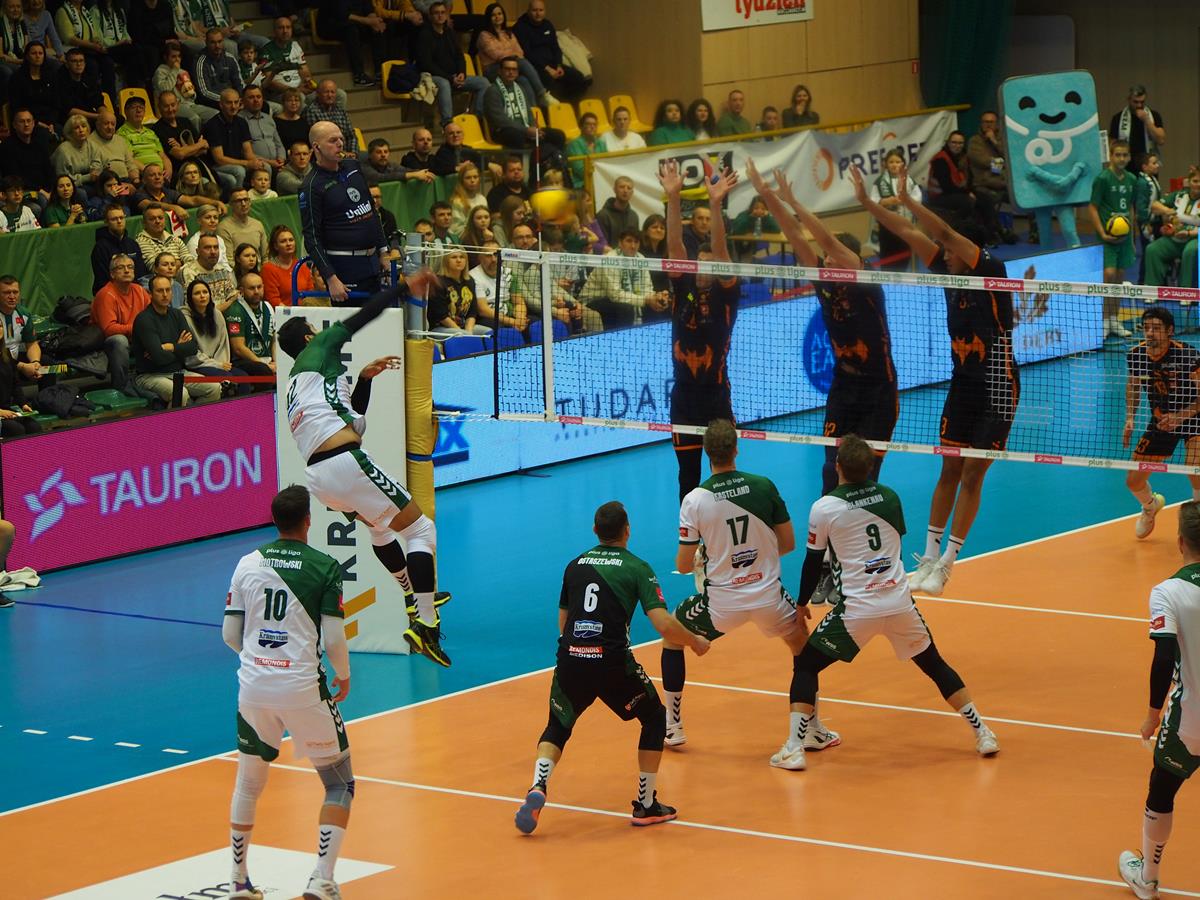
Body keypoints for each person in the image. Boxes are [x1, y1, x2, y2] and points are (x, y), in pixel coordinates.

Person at [851, 164, 1018, 597]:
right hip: (963, 384)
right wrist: (869, 203)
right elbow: (909, 232)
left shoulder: (991, 270)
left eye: (948, 249)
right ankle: (927, 557)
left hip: (998, 386)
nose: (941, 255)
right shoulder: (949, 273)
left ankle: (947, 564)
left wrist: (910, 199)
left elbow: (940, 231)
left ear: (967, 248)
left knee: (973, 474)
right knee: (949, 467)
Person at [791, 434, 998, 769]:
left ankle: (794, 747)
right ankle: (983, 732)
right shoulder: (890, 496)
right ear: (870, 467)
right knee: (935, 665)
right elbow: (891, 543)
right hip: (900, 603)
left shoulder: (824, 507)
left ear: (837, 466)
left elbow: (813, 562)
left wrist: (802, 604)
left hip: (858, 610)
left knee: (806, 665)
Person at [276, 275, 451, 665]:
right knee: (421, 530)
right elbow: (363, 315)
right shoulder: (319, 347)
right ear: (309, 337)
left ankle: (411, 596)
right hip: (343, 464)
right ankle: (426, 621)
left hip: (321, 478)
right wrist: (404, 287)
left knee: (380, 528)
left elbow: (352, 416)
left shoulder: (300, 382)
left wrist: (364, 380)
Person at [513, 500, 710, 835]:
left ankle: (538, 785)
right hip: (612, 663)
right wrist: (694, 640)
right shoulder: (637, 567)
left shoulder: (574, 565)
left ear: (595, 530)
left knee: (557, 726)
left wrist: (579, 651)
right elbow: (662, 623)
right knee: (654, 718)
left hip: (571, 659)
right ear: (627, 530)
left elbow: (564, 622)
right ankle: (646, 804)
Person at [753, 159, 898, 603]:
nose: (827, 262)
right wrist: (770, 197)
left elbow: (827, 241)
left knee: (865, 483)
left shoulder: (866, 282)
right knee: (828, 475)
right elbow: (798, 238)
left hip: (879, 393)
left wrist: (796, 200)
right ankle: (829, 570)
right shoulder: (824, 282)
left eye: (834, 259)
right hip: (844, 389)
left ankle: (863, 567)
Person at [661, 419, 838, 765]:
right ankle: (811, 730)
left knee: (672, 633)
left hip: (721, 606)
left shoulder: (694, 500)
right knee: (803, 649)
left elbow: (682, 566)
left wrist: (705, 557)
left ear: (707, 453)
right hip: (769, 598)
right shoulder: (763, 486)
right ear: (736, 449)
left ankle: (673, 726)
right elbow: (788, 543)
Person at [222, 484, 355, 900]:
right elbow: (334, 638)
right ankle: (321, 879)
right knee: (339, 784)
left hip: (253, 687)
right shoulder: (325, 567)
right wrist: (344, 675)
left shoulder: (247, 563)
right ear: (308, 521)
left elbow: (230, 634)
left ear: (275, 520)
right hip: (301, 687)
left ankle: (238, 881)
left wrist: (261, 660)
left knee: (248, 784)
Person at [1118, 500, 1200, 899]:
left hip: (1191, 722)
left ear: (1181, 542)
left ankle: (1148, 878)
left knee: (1162, 788)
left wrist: (1152, 716)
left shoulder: (1167, 592)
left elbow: (1164, 657)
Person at [658, 159, 739, 503]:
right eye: (700, 262)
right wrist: (673, 198)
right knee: (688, 478)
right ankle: (690, 535)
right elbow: (675, 246)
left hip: (716, 397)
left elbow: (720, 251)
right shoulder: (684, 289)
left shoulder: (727, 294)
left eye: (710, 263)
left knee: (727, 476)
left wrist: (716, 204)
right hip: (684, 399)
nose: (703, 267)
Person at [1123, 307, 1200, 540]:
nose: (1150, 333)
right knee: (1133, 481)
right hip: (1162, 421)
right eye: (1146, 328)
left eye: (1156, 328)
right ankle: (1150, 506)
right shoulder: (1136, 354)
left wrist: (1181, 416)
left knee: (1194, 468)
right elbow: (1133, 385)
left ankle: (1198, 522)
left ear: (1170, 331)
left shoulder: (1187, 355)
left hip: (1194, 417)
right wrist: (1130, 418)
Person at [299, 122, 387, 306]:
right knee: (354, 323)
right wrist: (330, 277)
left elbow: (371, 211)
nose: (340, 143)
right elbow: (311, 237)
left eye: (341, 138)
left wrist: (383, 251)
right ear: (316, 147)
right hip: (345, 269)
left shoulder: (353, 166)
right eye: (333, 140)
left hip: (373, 264)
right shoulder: (311, 186)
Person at [132, 274, 221, 405]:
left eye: (168, 290)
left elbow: (192, 347)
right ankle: (176, 419)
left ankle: (194, 417)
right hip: (150, 375)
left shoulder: (176, 314)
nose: (165, 294)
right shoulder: (144, 319)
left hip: (179, 372)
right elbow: (159, 358)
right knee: (180, 393)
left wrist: (171, 347)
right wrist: (179, 347)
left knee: (214, 388)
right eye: (159, 291)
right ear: (150, 294)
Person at [1089, 139, 1138, 338]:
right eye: (1118, 155)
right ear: (1111, 156)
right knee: (1108, 275)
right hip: (1107, 237)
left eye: (1125, 155)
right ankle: (1103, 320)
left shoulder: (1132, 179)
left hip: (1124, 238)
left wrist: (1132, 237)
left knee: (1119, 277)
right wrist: (1102, 233)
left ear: (1129, 157)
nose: (1121, 159)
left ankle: (1114, 319)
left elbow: (1131, 207)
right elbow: (1093, 207)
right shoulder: (1102, 179)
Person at [414, 1, 488, 128]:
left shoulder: (450, 33)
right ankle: (447, 123)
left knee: (483, 82)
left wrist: (462, 73)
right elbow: (426, 64)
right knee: (444, 83)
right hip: (433, 77)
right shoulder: (424, 35)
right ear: (430, 16)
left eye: (443, 13)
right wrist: (450, 78)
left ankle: (476, 119)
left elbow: (460, 56)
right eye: (436, 13)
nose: (440, 16)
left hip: (454, 76)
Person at [482, 55, 566, 154]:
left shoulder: (520, 88)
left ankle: (554, 161)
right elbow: (500, 120)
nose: (511, 72)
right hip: (503, 131)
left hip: (525, 129)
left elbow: (528, 112)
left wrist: (535, 128)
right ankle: (519, 163)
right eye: (507, 69)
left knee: (558, 135)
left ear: (517, 72)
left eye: (514, 69)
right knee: (516, 136)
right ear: (500, 71)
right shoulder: (493, 91)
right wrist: (526, 130)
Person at [92, 252, 151, 390]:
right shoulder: (106, 294)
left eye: (130, 267)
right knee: (120, 340)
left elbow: (152, 317)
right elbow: (109, 329)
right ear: (112, 274)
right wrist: (137, 328)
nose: (127, 270)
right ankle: (121, 387)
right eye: (121, 267)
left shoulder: (140, 291)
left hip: (135, 339)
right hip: (107, 344)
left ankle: (151, 381)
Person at [475, 2, 554, 105]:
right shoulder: (484, 35)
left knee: (524, 80)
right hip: (493, 69)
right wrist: (513, 55)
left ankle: (533, 110)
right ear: (489, 18)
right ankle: (542, 94)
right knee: (521, 62)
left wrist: (512, 55)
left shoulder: (509, 33)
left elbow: (520, 52)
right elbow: (497, 55)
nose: (497, 17)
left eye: (499, 14)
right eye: (493, 15)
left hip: (510, 67)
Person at [512, 0, 589, 102]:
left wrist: (558, 65)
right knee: (550, 82)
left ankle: (565, 105)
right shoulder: (520, 27)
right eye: (534, 10)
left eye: (541, 10)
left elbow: (555, 47)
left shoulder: (547, 24)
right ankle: (552, 108)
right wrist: (547, 69)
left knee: (579, 78)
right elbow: (527, 53)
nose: (538, 13)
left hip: (553, 64)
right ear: (528, 11)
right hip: (535, 66)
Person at [1143, 166, 1200, 290]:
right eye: (1195, 181)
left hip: (1195, 238)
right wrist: (1168, 212)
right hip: (1175, 237)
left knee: (1190, 251)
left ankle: (1186, 292)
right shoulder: (1179, 195)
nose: (1198, 185)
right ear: (1189, 182)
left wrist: (1189, 233)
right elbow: (1155, 206)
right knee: (1152, 249)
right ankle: (1152, 290)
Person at [869, 149, 922, 270]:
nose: (894, 165)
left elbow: (917, 199)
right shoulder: (880, 182)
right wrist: (887, 201)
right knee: (888, 257)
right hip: (887, 227)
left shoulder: (909, 181)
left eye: (898, 162)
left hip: (905, 224)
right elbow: (873, 202)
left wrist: (905, 200)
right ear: (886, 164)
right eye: (891, 162)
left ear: (903, 164)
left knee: (904, 256)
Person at [203, 88, 264, 193]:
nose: (233, 106)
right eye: (229, 103)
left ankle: (262, 198)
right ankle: (238, 198)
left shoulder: (241, 122)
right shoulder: (213, 125)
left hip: (237, 162)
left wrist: (258, 162)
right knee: (239, 171)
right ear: (221, 105)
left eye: (236, 102)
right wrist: (246, 163)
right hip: (216, 166)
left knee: (265, 167)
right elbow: (219, 159)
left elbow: (248, 153)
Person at [91, 204, 148, 294]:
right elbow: (103, 279)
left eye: (121, 218)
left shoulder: (132, 244)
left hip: (134, 292)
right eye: (114, 219)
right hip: (110, 293)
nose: (119, 221)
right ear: (106, 222)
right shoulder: (100, 248)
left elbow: (141, 273)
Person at [7, 43, 58, 134]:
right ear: (27, 56)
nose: (37, 56)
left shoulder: (50, 76)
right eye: (34, 53)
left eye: (40, 53)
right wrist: (37, 123)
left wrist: (51, 123)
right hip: (27, 122)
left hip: (50, 121)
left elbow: (56, 103)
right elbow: (17, 106)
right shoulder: (18, 78)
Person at [1109, 85, 1166, 164]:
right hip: (1125, 165)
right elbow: (1112, 145)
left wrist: (1147, 120)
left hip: (1148, 165)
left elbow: (1161, 140)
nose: (1139, 105)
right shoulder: (1118, 118)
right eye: (1135, 102)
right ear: (1129, 100)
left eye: (1142, 102)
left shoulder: (1154, 116)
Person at [183, 232, 239, 311]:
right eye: (207, 248)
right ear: (197, 251)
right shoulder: (189, 272)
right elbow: (199, 310)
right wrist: (228, 303)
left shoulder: (222, 270)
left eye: (216, 247)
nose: (213, 252)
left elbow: (233, 296)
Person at [263, 224, 315, 307]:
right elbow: (273, 300)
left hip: (304, 311)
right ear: (275, 246)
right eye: (283, 241)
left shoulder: (302, 266)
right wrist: (291, 313)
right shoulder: (268, 268)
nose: (288, 244)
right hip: (282, 313)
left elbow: (310, 293)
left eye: (291, 240)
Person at [303, 79, 360, 155]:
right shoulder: (311, 111)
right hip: (326, 155)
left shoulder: (340, 110)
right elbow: (318, 141)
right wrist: (341, 153)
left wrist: (353, 152)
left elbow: (351, 135)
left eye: (332, 92)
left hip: (346, 154)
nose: (330, 95)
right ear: (318, 94)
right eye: (326, 92)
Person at [240, 84, 286, 173]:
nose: (256, 100)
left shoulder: (268, 118)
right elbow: (244, 152)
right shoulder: (240, 121)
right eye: (251, 97)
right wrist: (270, 163)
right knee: (266, 168)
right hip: (255, 164)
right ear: (243, 101)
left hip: (277, 163)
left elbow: (279, 144)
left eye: (258, 97)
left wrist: (281, 159)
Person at [195, 28, 244, 111]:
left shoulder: (230, 58)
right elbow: (204, 92)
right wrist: (228, 100)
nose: (217, 46)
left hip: (234, 102)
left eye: (219, 41)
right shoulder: (200, 61)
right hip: (213, 104)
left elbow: (239, 83)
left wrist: (239, 99)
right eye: (213, 42)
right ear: (206, 43)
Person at [51, 46, 102, 126]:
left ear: (85, 63)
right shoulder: (60, 81)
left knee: (117, 119)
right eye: (74, 61)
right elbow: (68, 110)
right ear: (67, 64)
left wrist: (105, 114)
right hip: (71, 120)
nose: (78, 64)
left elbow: (99, 102)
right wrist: (98, 116)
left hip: (91, 116)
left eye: (81, 61)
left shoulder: (89, 79)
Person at [136, 202, 194, 270]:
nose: (157, 221)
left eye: (160, 218)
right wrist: (179, 262)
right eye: (152, 219)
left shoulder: (175, 239)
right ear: (144, 223)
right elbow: (156, 268)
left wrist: (168, 264)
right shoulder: (141, 242)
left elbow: (191, 262)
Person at [431, 119, 495, 180]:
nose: (455, 135)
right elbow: (441, 169)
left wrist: (489, 164)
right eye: (451, 133)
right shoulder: (442, 152)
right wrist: (458, 168)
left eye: (458, 132)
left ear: (463, 135)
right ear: (445, 136)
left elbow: (482, 159)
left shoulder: (467, 149)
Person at [218, 188, 270, 260]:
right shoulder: (223, 227)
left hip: (259, 266)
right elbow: (228, 260)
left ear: (250, 202)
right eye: (238, 201)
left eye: (246, 200)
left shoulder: (258, 224)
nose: (243, 204)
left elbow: (266, 256)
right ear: (231, 204)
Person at [595, 176, 637, 250]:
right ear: (614, 189)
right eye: (622, 187)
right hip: (609, 255)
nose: (625, 190)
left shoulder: (634, 216)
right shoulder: (603, 215)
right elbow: (601, 243)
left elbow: (635, 241)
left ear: (632, 192)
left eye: (629, 188)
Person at [564, 111, 599, 187]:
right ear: (581, 126)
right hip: (581, 184)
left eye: (594, 124)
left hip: (599, 181)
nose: (592, 127)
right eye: (588, 124)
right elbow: (581, 171)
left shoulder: (601, 143)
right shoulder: (574, 144)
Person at [273, 87, 309, 152]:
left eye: (296, 100)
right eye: (290, 100)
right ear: (283, 102)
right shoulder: (276, 122)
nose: (293, 103)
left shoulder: (303, 122)